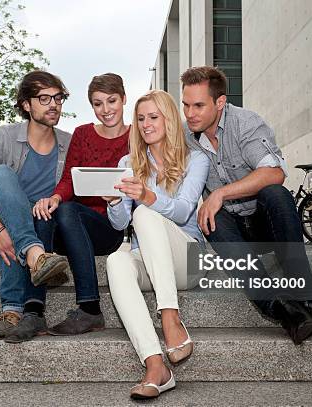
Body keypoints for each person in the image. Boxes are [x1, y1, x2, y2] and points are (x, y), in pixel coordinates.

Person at [180, 66, 312, 344]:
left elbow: (275, 172)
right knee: (211, 219)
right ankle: (285, 312)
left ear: (220, 102)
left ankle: (308, 305)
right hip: (230, 231)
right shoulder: (185, 136)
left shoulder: (246, 123)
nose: (190, 113)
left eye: (198, 105)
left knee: (276, 194)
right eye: (186, 105)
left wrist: (220, 193)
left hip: (264, 224)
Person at [106, 90, 210, 399]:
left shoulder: (196, 159)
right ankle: (156, 366)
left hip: (188, 258)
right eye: (140, 119)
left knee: (147, 213)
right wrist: (114, 203)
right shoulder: (129, 162)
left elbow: (182, 211)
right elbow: (120, 224)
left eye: (153, 117)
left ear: (169, 120)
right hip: (149, 261)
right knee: (116, 260)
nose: (146, 124)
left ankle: (170, 317)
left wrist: (147, 197)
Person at [0, 70, 72, 342]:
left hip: (39, 227)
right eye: (44, 98)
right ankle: (35, 256)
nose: (53, 104)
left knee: (30, 220)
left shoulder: (68, 143)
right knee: (1, 173)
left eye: (58, 98)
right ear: (26, 104)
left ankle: (12, 311)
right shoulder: (4, 136)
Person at [31, 73, 129, 336]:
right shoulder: (83, 133)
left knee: (66, 209)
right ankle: (33, 309)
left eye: (111, 101)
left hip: (108, 229)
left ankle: (90, 309)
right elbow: (68, 179)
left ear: (124, 99)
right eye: (98, 104)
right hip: (71, 225)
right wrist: (54, 197)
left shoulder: (136, 137)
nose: (105, 110)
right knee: (45, 210)